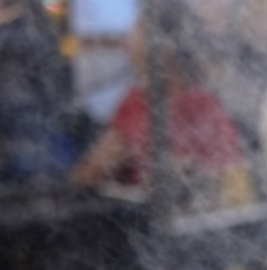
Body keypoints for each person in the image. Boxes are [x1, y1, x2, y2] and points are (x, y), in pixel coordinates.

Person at [70, 5, 250, 212]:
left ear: (159, 44)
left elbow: (88, 176)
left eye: (134, 34)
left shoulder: (141, 103)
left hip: (155, 229)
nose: (127, 47)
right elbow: (237, 188)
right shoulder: (210, 103)